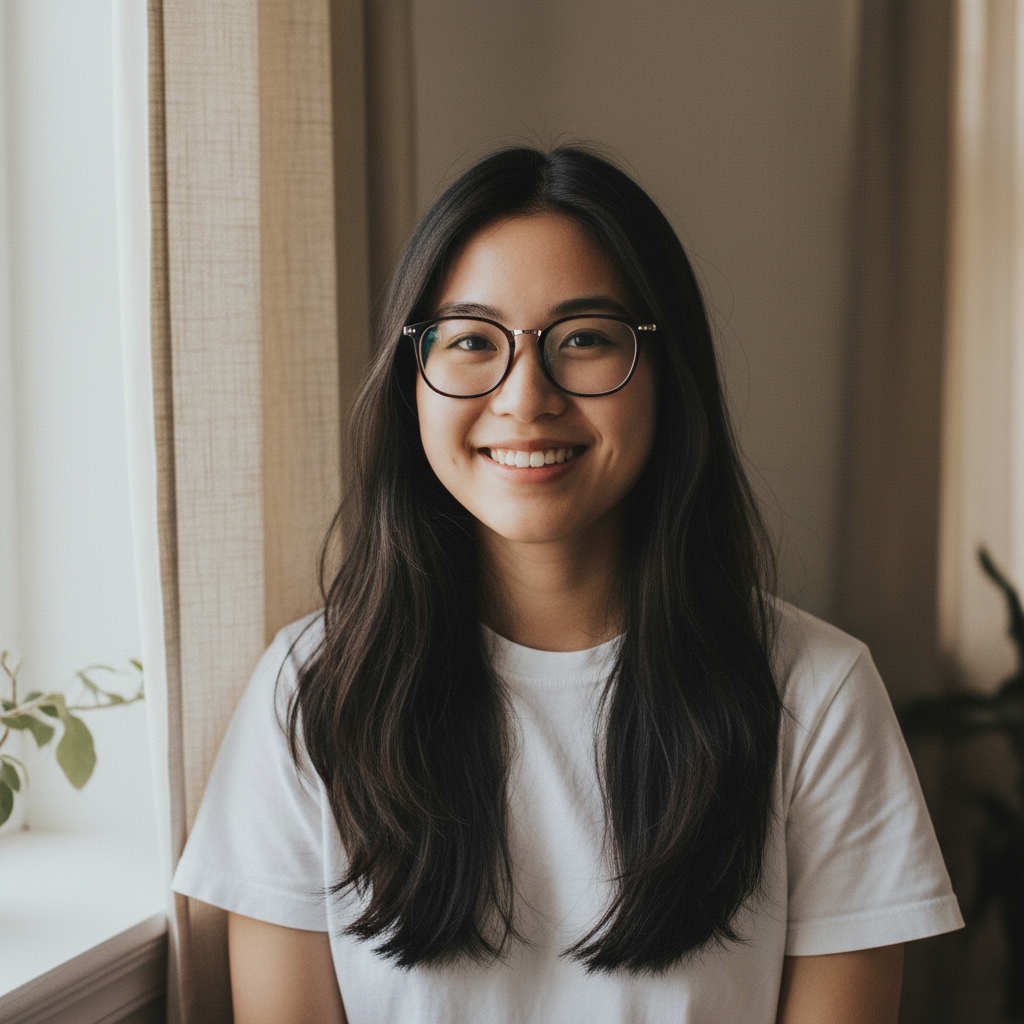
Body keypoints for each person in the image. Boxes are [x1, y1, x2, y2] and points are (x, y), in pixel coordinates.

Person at [173, 146, 963, 1024]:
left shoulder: (816, 694)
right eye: (472, 341)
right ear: (412, 382)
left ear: (667, 373)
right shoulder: (314, 691)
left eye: (584, 339)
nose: (525, 396)